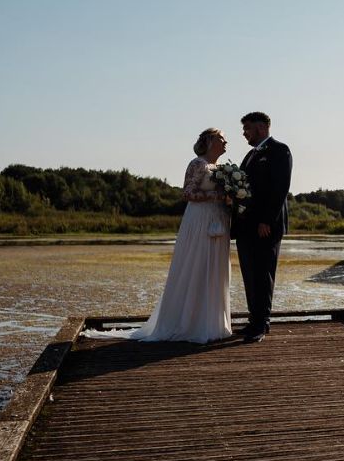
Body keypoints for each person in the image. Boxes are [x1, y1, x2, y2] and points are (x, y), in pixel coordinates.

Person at [82, 128, 233, 343]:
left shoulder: (221, 168)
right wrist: (216, 195)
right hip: (200, 221)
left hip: (219, 220)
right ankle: (189, 324)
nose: (226, 141)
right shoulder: (197, 164)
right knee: (197, 264)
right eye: (221, 138)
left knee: (215, 269)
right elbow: (187, 193)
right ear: (209, 141)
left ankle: (213, 324)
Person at [233, 111, 292, 343]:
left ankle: (261, 324)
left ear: (261, 128)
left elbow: (280, 188)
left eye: (247, 129)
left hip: (265, 226)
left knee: (263, 274)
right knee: (250, 274)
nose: (244, 134)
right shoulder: (250, 155)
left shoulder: (280, 150)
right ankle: (254, 320)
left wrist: (266, 220)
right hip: (246, 227)